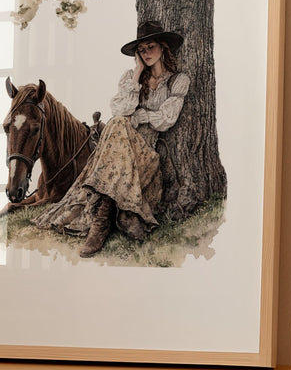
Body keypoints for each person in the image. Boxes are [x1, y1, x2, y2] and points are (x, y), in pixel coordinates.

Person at [34, 20, 190, 258]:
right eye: (141, 50)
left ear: (163, 48)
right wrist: (137, 74)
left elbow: (167, 119)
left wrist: (141, 116)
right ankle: (102, 219)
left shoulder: (177, 81)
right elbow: (120, 109)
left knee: (118, 123)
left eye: (151, 47)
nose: (146, 53)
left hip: (145, 156)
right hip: (118, 155)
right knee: (118, 122)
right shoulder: (131, 77)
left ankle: (101, 222)